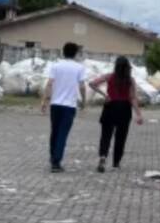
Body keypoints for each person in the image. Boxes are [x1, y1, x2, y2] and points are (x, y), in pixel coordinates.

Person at [89, 57, 144, 172]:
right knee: (121, 137)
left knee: (106, 135)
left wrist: (105, 95)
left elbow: (92, 83)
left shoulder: (109, 76)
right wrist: (138, 114)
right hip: (124, 108)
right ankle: (116, 163)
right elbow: (132, 98)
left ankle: (103, 157)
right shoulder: (130, 80)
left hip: (110, 106)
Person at [41, 42, 87, 173]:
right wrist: (84, 101)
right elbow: (82, 86)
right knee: (62, 133)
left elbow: (49, 84)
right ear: (76, 54)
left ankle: (52, 156)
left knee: (54, 132)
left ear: (63, 52)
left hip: (55, 105)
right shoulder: (79, 68)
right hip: (69, 106)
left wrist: (44, 101)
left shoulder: (56, 66)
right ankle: (56, 162)